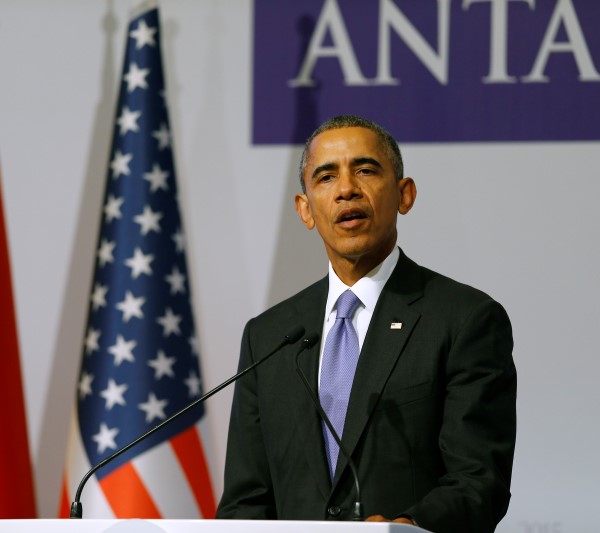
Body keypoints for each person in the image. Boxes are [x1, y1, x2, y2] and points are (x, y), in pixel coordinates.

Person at [216, 115, 516, 532]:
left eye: (365, 170)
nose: (346, 190)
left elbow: (479, 480)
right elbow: (244, 501)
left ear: (404, 194)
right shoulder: (270, 336)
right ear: (305, 209)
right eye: (326, 177)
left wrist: (405, 527)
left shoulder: (464, 319)